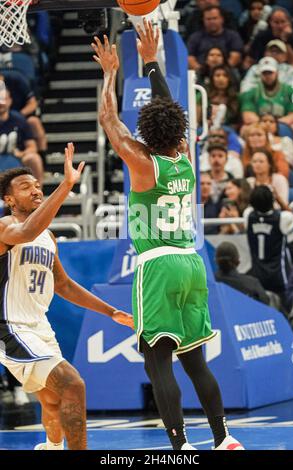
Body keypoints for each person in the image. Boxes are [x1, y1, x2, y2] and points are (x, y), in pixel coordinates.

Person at [92, 18, 244, 451]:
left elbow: (109, 119)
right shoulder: (184, 162)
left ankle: (180, 446)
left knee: (157, 361)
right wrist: (152, 62)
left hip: (157, 264)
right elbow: (168, 112)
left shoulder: (142, 164)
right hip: (192, 263)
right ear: (178, 133)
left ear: (146, 132)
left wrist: (110, 72)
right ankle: (224, 437)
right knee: (195, 360)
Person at [0, 149, 133, 450]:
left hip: (38, 326)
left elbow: (63, 284)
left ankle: (52, 446)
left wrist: (110, 311)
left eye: (37, 184)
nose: (35, 189)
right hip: (10, 327)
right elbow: (27, 230)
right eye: (25, 187)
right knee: (73, 384)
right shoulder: (5, 227)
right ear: (9, 200)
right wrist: (66, 186)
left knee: (52, 398)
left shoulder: (48, 238)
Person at [244, 185, 293, 299]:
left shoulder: (248, 215)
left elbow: (252, 207)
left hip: (257, 275)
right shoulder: (283, 218)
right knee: (285, 310)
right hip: (279, 275)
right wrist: (279, 199)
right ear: (272, 200)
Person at [239, 57, 293, 136]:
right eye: (264, 73)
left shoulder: (292, 91)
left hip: (284, 124)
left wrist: (274, 124)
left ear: (277, 73)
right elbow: (247, 116)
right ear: (260, 75)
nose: (267, 76)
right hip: (259, 125)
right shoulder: (251, 93)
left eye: (270, 73)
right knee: (244, 129)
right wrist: (265, 124)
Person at [0, 86, 44, 185]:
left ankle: (37, 195)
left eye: (4, 99)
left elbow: (32, 146)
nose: (1, 102)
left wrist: (22, 154)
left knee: (34, 158)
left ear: (10, 101)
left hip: (15, 159)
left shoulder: (18, 119)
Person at [187, 5, 244, 71]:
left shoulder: (233, 36)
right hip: (200, 73)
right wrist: (202, 71)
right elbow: (189, 58)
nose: (211, 22)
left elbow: (235, 57)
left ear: (222, 19)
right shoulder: (195, 37)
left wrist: (222, 72)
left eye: (214, 18)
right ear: (203, 20)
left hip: (227, 73)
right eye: (208, 19)